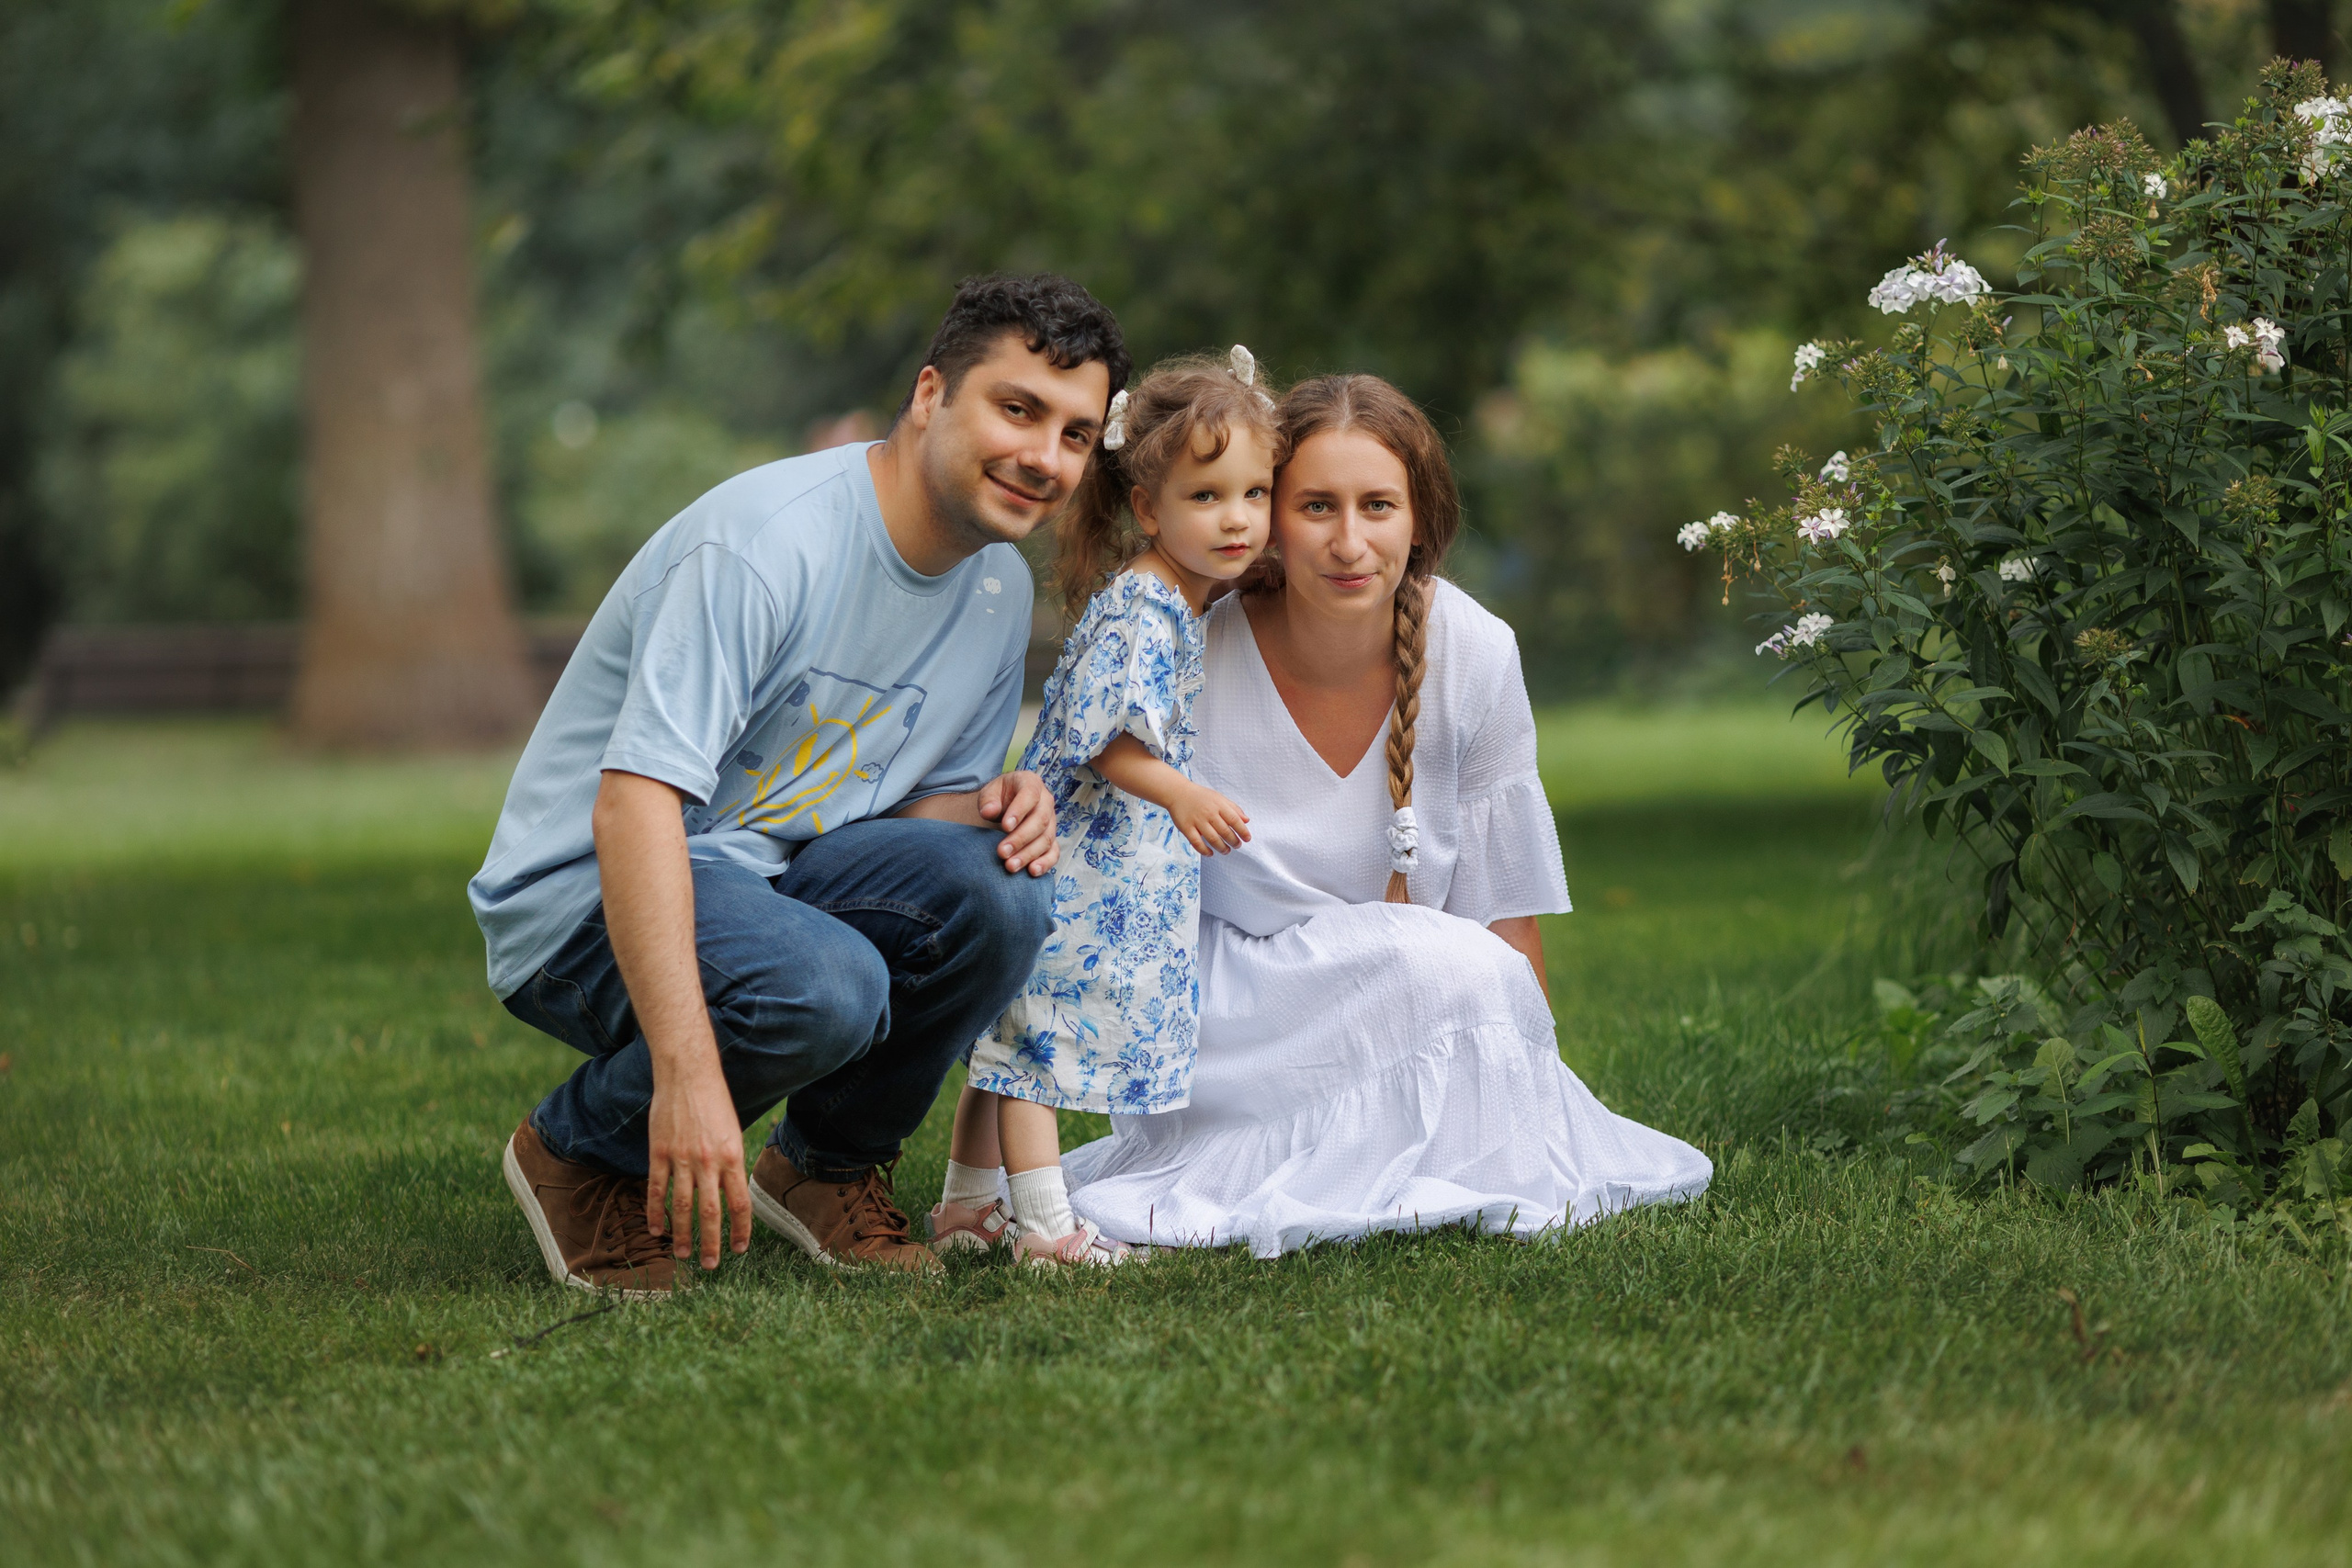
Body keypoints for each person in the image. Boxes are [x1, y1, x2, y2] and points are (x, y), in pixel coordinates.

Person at [469, 274, 1131, 1296]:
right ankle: (581, 1154)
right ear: (929, 395)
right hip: (585, 898)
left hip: (770, 886)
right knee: (826, 986)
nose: (1044, 458)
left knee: (1002, 887)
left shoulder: (996, 583)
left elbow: (915, 811)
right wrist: (689, 1081)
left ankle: (823, 1168)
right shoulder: (766, 544)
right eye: (1017, 409)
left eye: (1075, 435)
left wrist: (993, 808)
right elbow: (633, 805)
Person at [1063, 373, 1712, 1256]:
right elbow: (1100, 801)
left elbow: (1502, 913)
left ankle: (1414, 1145)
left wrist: (1528, 1080)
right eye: (1316, 506)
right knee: (1446, 969)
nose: (1349, 541)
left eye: (1378, 506)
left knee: (1467, 972)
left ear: (1420, 519)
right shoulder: (1196, 648)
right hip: (1230, 1017)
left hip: (1413, 993)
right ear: (1268, 519)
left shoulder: (1475, 652)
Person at [931, 348, 1279, 1267]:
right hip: (1077, 856)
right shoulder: (1143, 606)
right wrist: (1181, 792)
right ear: (1146, 507)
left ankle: (968, 1209)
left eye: (1254, 494)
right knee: (1037, 1045)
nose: (1236, 519)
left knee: (1013, 1036)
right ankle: (1046, 1232)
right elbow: (1098, 734)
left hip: (1098, 856)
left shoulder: (1175, 601)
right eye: (1206, 498)